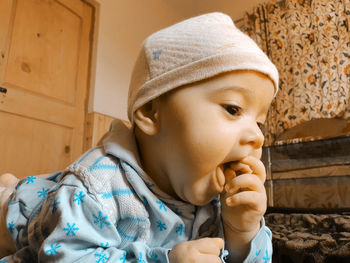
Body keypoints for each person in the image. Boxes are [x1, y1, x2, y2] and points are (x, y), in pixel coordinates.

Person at [0, 12, 278, 262]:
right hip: (27, 215)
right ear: (150, 112)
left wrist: (241, 231)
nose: (256, 136)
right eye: (233, 109)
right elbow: (66, 257)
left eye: (259, 122)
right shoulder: (94, 186)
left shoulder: (217, 197)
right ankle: (10, 190)